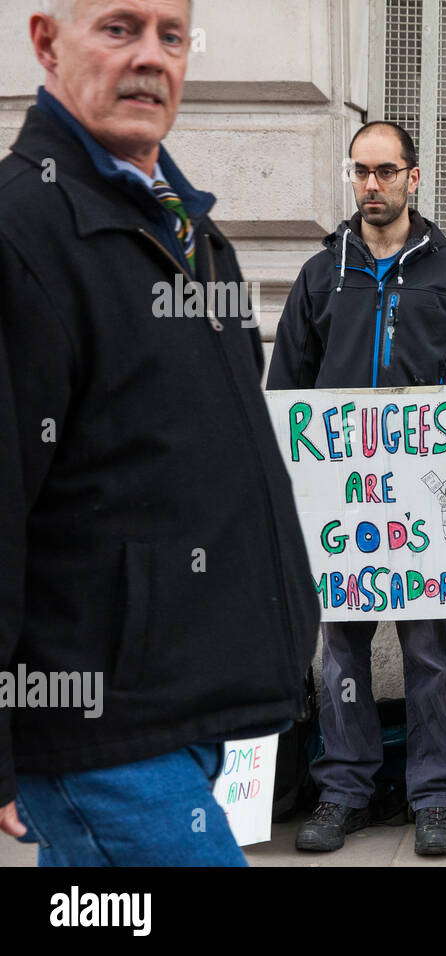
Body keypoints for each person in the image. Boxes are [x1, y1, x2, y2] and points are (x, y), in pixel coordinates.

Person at [0, 0, 320, 865]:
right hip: (102, 729)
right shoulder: (21, 232)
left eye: (170, 36)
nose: (151, 58)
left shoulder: (181, 222)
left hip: (181, 705)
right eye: (118, 28)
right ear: (45, 43)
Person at [268, 120, 446, 857]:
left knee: (430, 653)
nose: (371, 185)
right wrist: (287, 501)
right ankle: (345, 792)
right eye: (360, 172)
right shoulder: (320, 273)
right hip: (340, 506)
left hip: (421, 501)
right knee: (338, 654)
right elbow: (286, 392)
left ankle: (435, 798)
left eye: (385, 171)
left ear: (413, 177)